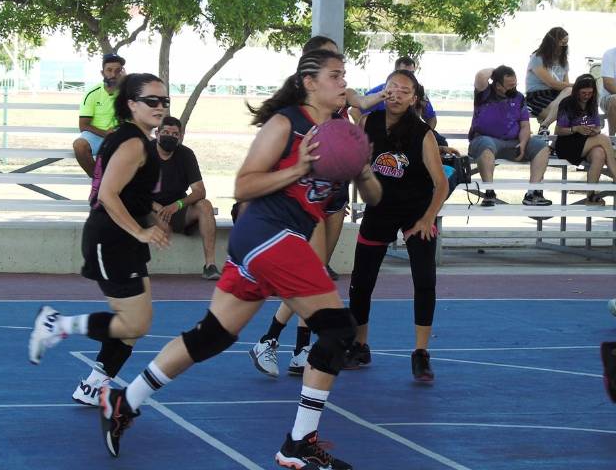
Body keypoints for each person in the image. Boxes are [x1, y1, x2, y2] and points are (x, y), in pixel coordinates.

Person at [98, 49, 382, 469]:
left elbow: (374, 199)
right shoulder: (286, 123)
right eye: (335, 75)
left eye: (345, 75)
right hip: (268, 233)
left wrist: (362, 170)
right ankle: (298, 444)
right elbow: (243, 186)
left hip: (275, 242)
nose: (344, 83)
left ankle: (126, 400)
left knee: (213, 335)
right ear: (309, 82)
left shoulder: (342, 133)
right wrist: (298, 168)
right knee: (338, 332)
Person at [28, 73, 170, 407]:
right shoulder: (133, 141)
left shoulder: (134, 137)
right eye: (152, 100)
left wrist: (150, 218)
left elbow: (129, 193)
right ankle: (57, 324)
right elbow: (108, 194)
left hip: (124, 239)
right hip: (112, 239)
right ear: (131, 104)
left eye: (164, 101)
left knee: (136, 325)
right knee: (133, 322)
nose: (160, 107)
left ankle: (93, 385)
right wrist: (141, 230)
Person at [248, 35, 385, 379]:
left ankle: (298, 349)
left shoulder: (341, 96)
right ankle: (271, 339)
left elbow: (363, 103)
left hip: (334, 192)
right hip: (305, 198)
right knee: (310, 276)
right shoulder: (295, 112)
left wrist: (386, 95)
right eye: (333, 67)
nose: (340, 76)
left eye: (341, 68)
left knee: (318, 271)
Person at [344, 70, 448, 381]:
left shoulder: (422, 134)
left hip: (415, 212)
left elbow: (440, 184)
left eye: (405, 91)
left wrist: (428, 217)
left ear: (415, 99)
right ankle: (360, 345)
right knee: (361, 283)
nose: (397, 95)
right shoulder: (369, 123)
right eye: (392, 88)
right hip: (380, 209)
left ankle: (420, 353)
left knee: (424, 279)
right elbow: (353, 108)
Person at [469, 66, 553, 207]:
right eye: (509, 85)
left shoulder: (519, 97)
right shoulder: (484, 93)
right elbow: (480, 76)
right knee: (486, 145)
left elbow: (525, 126)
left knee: (542, 147)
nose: (514, 88)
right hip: (485, 140)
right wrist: (496, 70)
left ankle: (532, 194)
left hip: (513, 142)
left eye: (515, 84)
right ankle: (489, 193)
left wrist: (523, 142)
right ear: (498, 86)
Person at [151, 116, 221, 280]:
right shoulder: (145, 152)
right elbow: (133, 190)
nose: (170, 136)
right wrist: (156, 208)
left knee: (205, 205)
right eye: (166, 132)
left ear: (181, 136)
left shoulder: (186, 154)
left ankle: (210, 265)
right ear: (157, 133)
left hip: (178, 210)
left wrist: (178, 204)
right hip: (149, 210)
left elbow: (199, 191)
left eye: (175, 134)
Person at [553, 74, 616, 205]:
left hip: (586, 142)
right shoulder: (567, 103)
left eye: (590, 93)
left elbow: (598, 126)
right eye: (584, 93)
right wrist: (575, 129)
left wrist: (595, 130)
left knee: (599, 153)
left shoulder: (592, 103)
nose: (587, 96)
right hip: (567, 143)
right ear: (577, 91)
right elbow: (558, 130)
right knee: (604, 139)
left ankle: (591, 195)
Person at [74, 53, 126, 177]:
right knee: (79, 146)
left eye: (118, 71)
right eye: (109, 70)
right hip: (97, 135)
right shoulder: (92, 93)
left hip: (120, 136)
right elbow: (83, 126)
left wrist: (126, 81)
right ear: (102, 73)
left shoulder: (127, 93)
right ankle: (99, 179)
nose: (113, 74)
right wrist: (105, 133)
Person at [361, 56, 438, 130]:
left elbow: (431, 117)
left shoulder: (419, 91)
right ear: (395, 71)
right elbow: (354, 110)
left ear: (414, 99)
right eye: (404, 72)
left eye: (412, 72)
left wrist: (426, 134)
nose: (408, 75)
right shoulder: (379, 91)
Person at [525, 27, 572, 135]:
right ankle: (546, 128)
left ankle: (545, 127)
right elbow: (551, 83)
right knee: (568, 105)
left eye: (565, 44)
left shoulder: (563, 61)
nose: (562, 47)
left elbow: (565, 85)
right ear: (551, 43)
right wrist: (577, 85)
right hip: (539, 95)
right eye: (560, 43)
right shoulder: (537, 58)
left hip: (557, 95)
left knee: (571, 99)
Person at [599, 46, 616, 136]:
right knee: (615, 100)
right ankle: (612, 141)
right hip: (608, 97)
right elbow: (608, 84)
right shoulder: (610, 55)